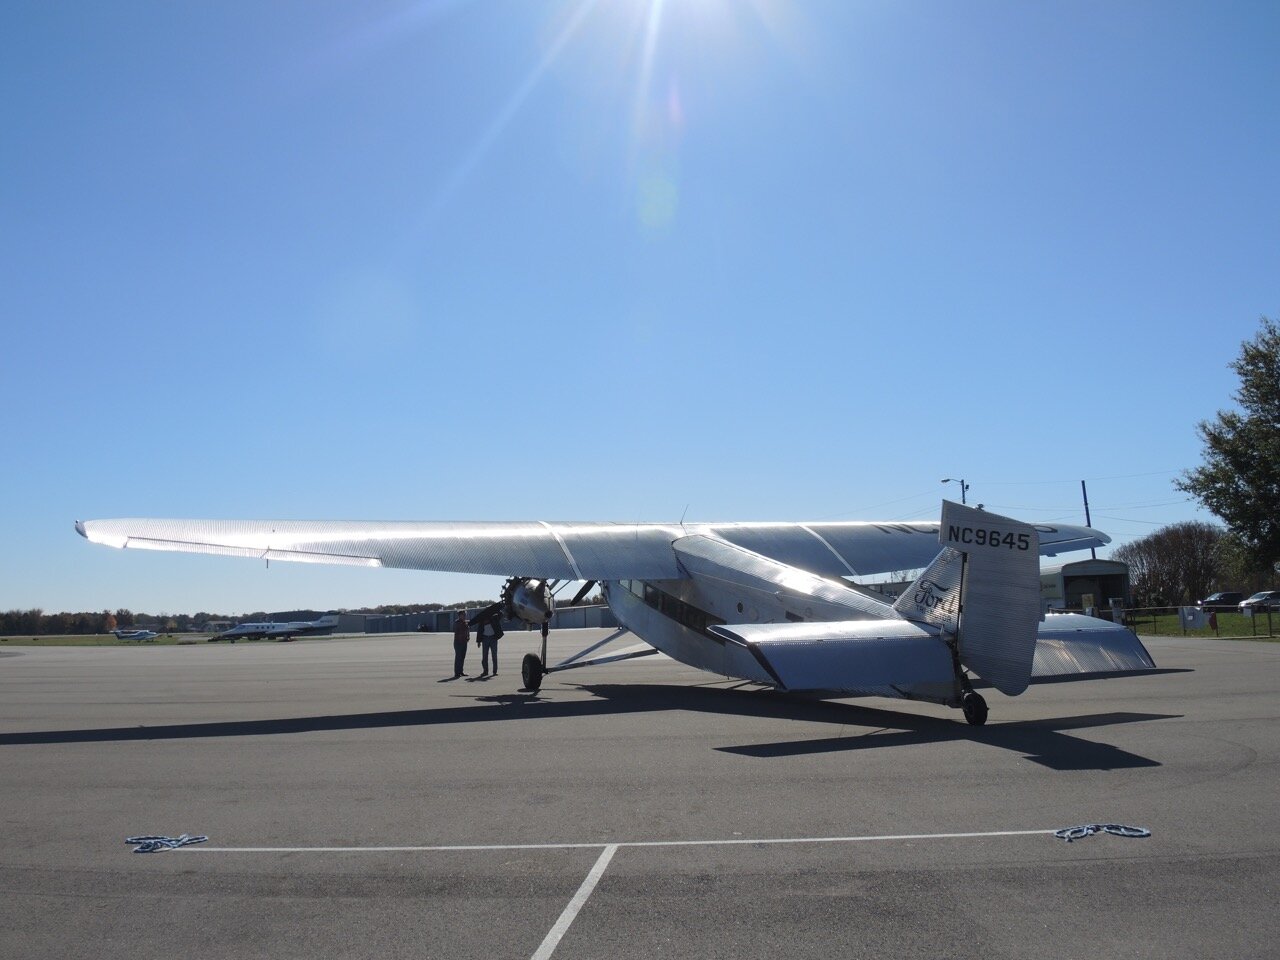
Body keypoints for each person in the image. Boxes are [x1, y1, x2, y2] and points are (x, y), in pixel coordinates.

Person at [477, 613, 502, 677]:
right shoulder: (482, 619)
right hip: (485, 638)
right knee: (484, 656)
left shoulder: (494, 617)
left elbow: (501, 615)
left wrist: (496, 610)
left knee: (494, 656)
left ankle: (494, 671)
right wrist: (479, 641)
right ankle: (485, 671)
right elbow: (479, 630)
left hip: (493, 638)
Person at [451, 609, 469, 679]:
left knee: (462, 657)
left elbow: (467, 631)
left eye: (465, 615)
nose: (465, 616)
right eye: (463, 615)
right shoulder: (457, 622)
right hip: (458, 642)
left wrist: (468, 637)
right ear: (459, 615)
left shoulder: (465, 623)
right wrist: (465, 624)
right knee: (458, 657)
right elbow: (457, 630)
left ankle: (461, 671)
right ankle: (457, 673)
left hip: (464, 642)